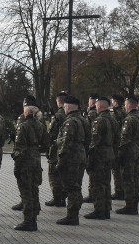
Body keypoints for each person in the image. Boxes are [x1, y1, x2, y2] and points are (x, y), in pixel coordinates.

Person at [10, 96, 48, 231]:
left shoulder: (23, 126)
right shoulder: (41, 125)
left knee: (26, 193)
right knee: (34, 190)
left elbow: (19, 148)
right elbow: (45, 144)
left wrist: (17, 164)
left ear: (27, 111)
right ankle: (34, 219)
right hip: (36, 160)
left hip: (25, 161)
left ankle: (28, 221)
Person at [54, 95, 89, 224]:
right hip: (81, 155)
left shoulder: (70, 122)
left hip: (71, 158)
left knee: (71, 187)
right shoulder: (83, 119)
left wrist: (61, 160)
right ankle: (74, 212)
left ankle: (72, 215)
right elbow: (88, 139)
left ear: (68, 107)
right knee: (77, 185)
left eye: (65, 106)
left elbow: (66, 142)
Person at [84, 96, 116, 220]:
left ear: (100, 106)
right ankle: (106, 209)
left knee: (97, 184)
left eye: (96, 105)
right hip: (109, 154)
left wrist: (89, 159)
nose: (95, 107)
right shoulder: (113, 119)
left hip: (99, 156)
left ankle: (99, 210)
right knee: (106, 183)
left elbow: (94, 142)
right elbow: (117, 139)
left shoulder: (99, 121)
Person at [114, 96, 139, 215]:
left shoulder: (129, 119)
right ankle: (134, 203)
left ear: (130, 105)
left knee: (128, 178)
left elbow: (124, 138)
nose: (124, 106)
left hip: (129, 151)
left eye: (126, 104)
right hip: (138, 148)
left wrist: (120, 153)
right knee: (136, 178)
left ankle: (130, 205)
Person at [44, 91, 69, 208]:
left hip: (56, 148)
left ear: (58, 101)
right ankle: (63, 196)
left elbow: (52, 134)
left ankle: (57, 198)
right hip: (68, 148)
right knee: (64, 173)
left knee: (53, 173)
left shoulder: (58, 116)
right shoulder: (70, 114)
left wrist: (48, 147)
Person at [110, 94, 126, 200]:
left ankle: (119, 191)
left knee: (116, 169)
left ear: (116, 102)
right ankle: (121, 190)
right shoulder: (124, 112)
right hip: (122, 143)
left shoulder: (116, 114)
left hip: (117, 145)